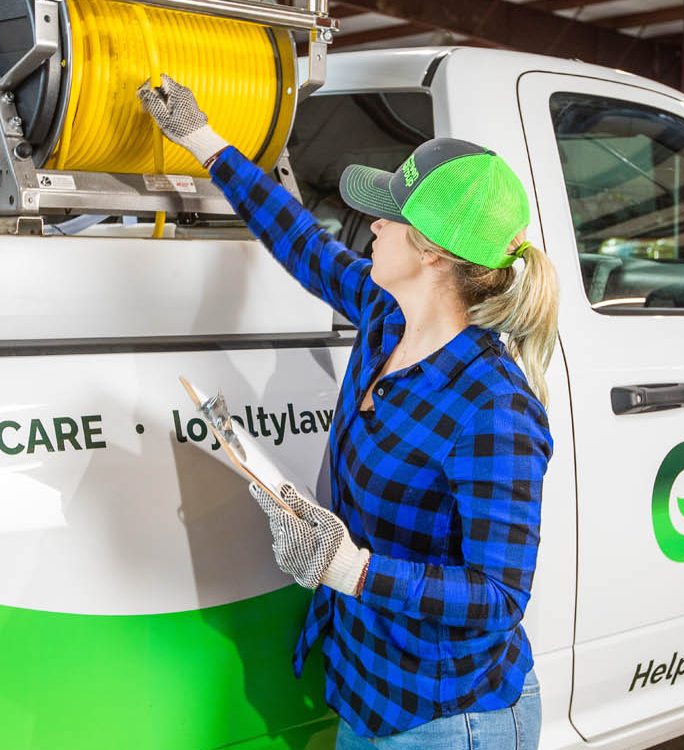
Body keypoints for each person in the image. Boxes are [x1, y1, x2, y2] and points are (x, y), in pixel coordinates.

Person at [140, 75, 557, 750]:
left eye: (392, 214)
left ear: (432, 252)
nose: (376, 223)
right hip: (367, 694)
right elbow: (302, 243)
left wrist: (353, 570)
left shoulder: (493, 407)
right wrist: (204, 141)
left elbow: (498, 598)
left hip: (448, 722)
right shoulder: (384, 314)